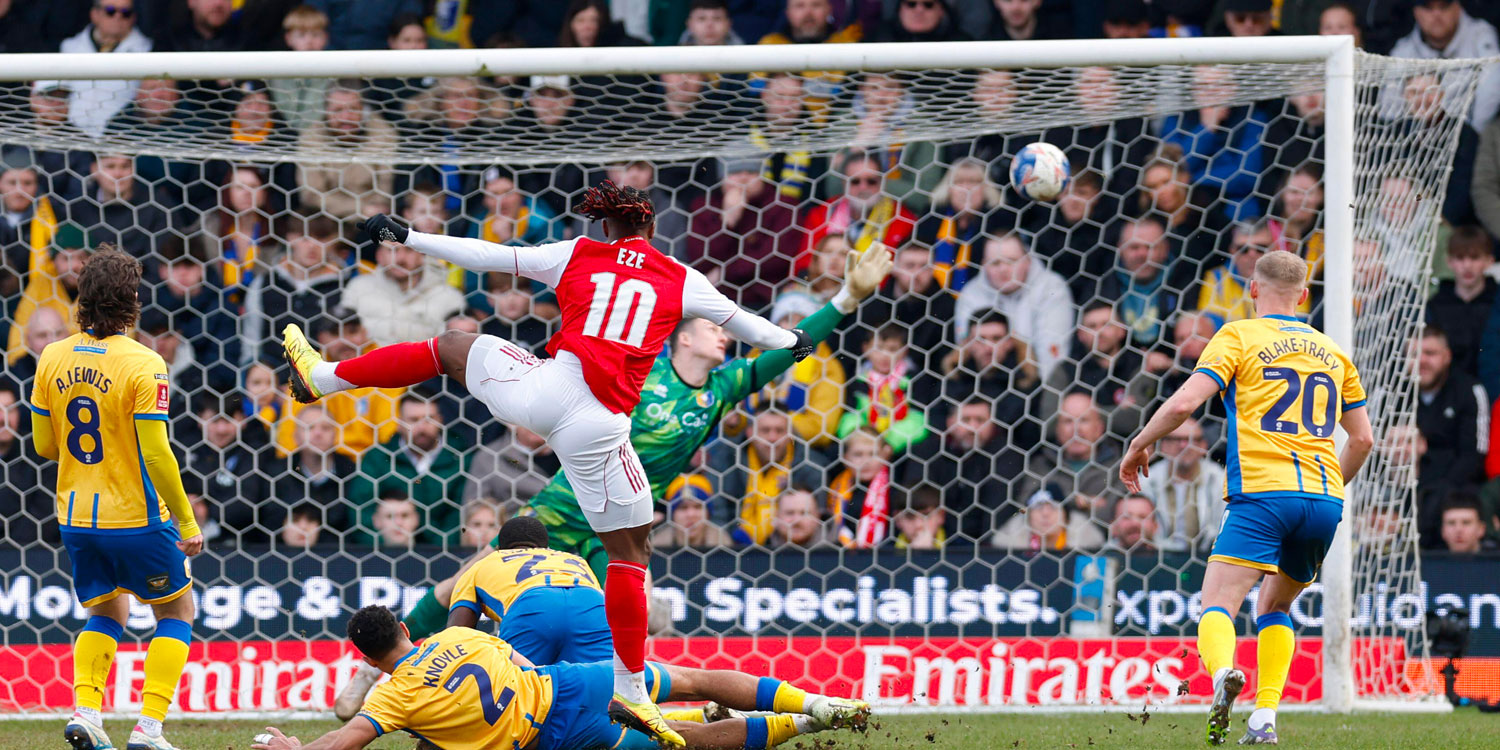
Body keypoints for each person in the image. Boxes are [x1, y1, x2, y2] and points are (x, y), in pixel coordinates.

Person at [286, 181, 823, 745]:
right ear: (651, 229)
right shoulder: (680, 278)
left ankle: (319, 378)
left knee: (450, 347)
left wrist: (411, 236)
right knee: (630, 554)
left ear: (605, 226)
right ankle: (634, 692)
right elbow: (751, 327)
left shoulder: (578, 253)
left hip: (544, 394)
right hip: (602, 426)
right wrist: (793, 340)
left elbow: (490, 255)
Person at [1120, 249, 1375, 745]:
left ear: (1253, 289)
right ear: (1303, 296)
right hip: (1324, 498)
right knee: (1275, 607)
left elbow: (1186, 402)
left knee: (1218, 599)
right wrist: (1327, 491)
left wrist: (1140, 442)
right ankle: (1265, 718)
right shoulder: (1334, 352)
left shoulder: (1238, 335)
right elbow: (1363, 440)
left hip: (1262, 492)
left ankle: (1222, 677)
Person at [254, 604, 863, 750]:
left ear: (368, 656)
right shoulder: (456, 636)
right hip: (570, 684)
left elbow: (345, 742)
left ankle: (799, 727)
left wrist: (293, 748)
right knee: (692, 679)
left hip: (554, 736)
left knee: (689, 743)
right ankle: (814, 702)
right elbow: (520, 661)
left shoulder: (396, 699)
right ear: (406, 633)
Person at [29, 248, 203, 750]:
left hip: (76, 517)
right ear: (133, 302)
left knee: (106, 613)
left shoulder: (52, 356)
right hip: (137, 517)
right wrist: (188, 522)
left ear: (81, 301)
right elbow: (157, 453)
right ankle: (148, 729)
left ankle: (87, 714)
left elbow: (44, 445)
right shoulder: (146, 364)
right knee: (176, 612)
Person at [58, 0, 154, 138]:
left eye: (126, 13)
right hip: (70, 138)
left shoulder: (148, 51)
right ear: (94, 14)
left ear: (134, 18)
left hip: (122, 139)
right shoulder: (69, 47)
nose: (118, 17)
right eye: (110, 11)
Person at [1139, 417, 1227, 553]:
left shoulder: (1218, 479)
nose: (1183, 445)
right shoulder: (1147, 481)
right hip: (1157, 555)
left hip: (1209, 557)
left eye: (1192, 440)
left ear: (1203, 446)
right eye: (1175, 440)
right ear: (1163, 445)